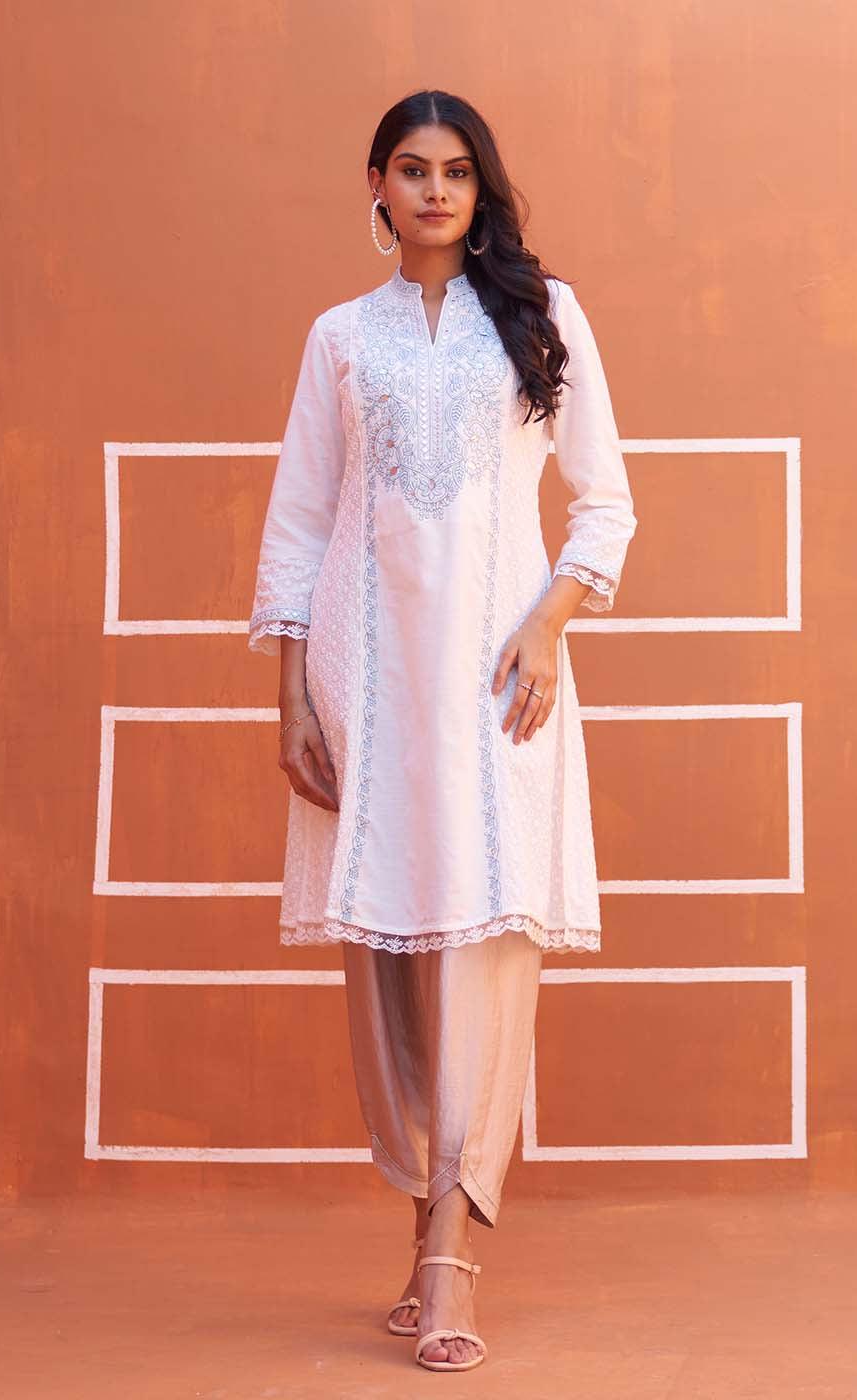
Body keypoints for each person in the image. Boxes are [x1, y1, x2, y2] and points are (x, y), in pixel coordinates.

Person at [248, 89, 637, 1373]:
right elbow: (301, 520)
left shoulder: (541, 315)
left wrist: (549, 626)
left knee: (488, 947)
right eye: (412, 169)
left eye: (457, 171)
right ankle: (424, 1215)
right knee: (386, 959)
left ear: (481, 187)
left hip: (498, 682)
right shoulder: (340, 338)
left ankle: (452, 1251)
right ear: (377, 185)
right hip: (366, 680)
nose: (434, 190)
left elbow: (606, 505)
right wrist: (292, 695)